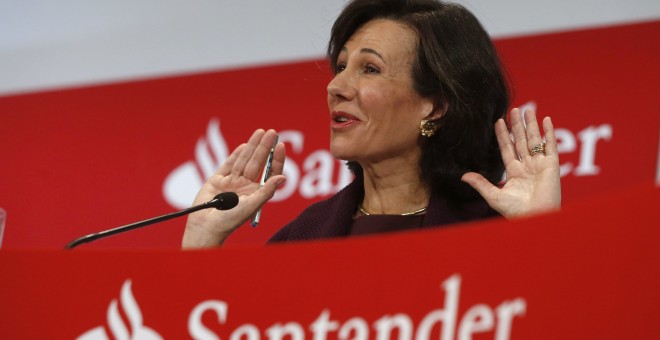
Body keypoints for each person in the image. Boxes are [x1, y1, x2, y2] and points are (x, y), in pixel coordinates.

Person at [182, 0, 561, 248]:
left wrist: (542, 238)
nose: (335, 86)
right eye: (342, 66)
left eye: (370, 69)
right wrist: (202, 239)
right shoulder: (299, 242)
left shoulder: (496, 231)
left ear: (436, 106)